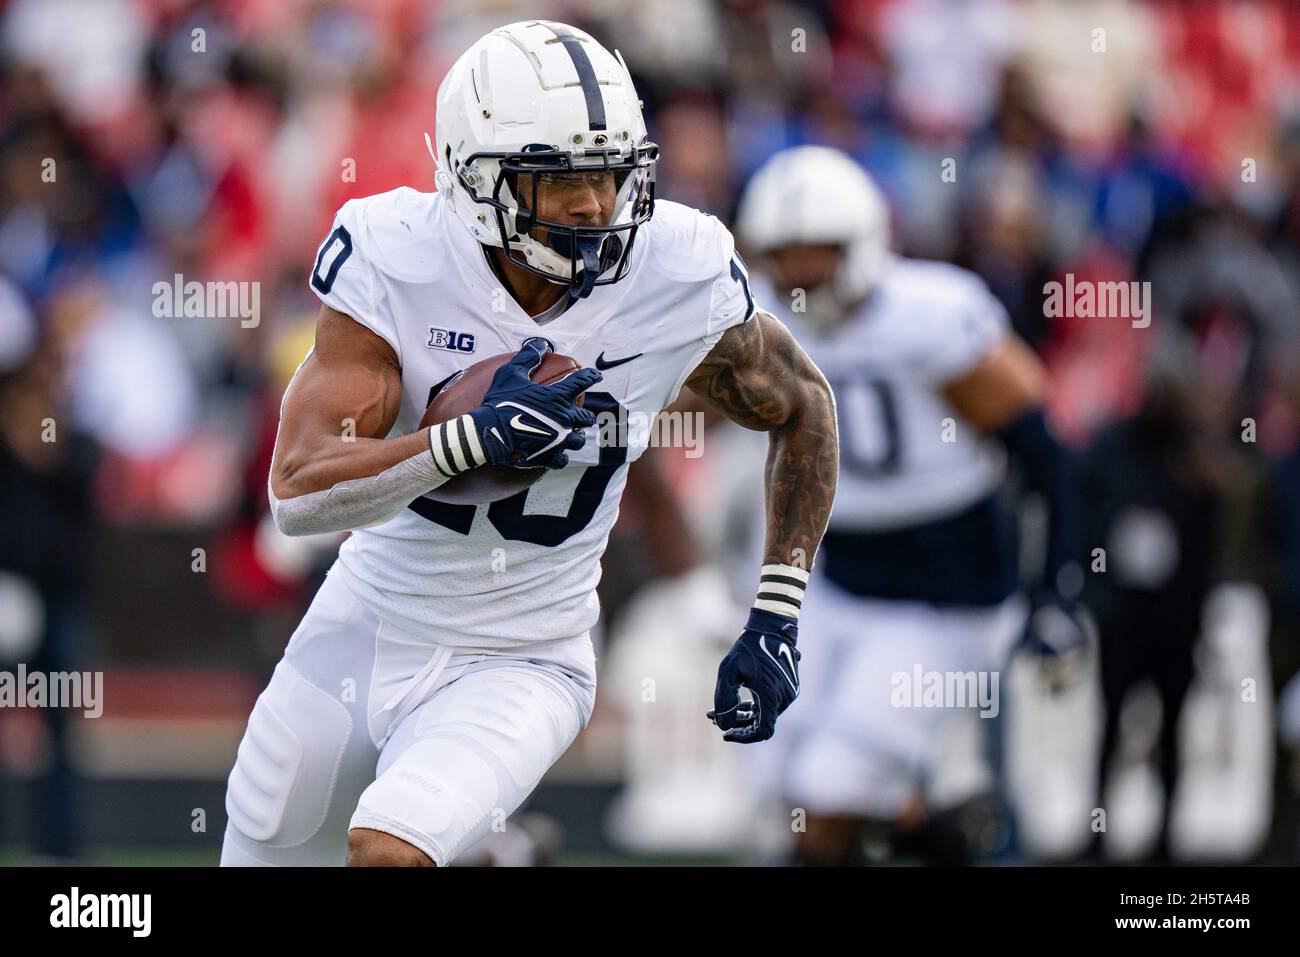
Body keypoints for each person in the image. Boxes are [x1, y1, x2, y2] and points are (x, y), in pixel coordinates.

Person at [220, 21, 838, 867]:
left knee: (388, 851)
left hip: (526, 650)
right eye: (560, 179)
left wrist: (776, 611)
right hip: (369, 617)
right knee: (264, 844)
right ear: (475, 179)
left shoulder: (677, 271)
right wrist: (464, 441)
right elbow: (298, 492)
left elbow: (803, 403)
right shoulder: (398, 255)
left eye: (611, 174)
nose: (594, 205)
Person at [735, 145, 1084, 865]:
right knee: (767, 757)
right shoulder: (760, 320)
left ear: (861, 244)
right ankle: (941, 829)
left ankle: (933, 825)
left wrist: (1059, 591)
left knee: (831, 786)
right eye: (785, 254)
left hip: (946, 591)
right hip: (838, 578)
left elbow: (1048, 459)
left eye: (817, 253)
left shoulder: (931, 316)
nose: (801, 274)